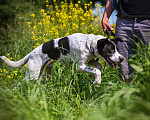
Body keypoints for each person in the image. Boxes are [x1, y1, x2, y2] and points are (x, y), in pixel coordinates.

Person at [102, 0, 150, 83]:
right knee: (124, 66)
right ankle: (127, 93)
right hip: (123, 22)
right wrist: (105, 19)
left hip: (147, 21)